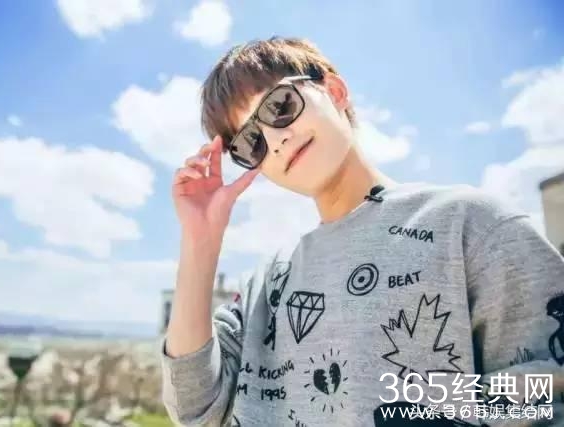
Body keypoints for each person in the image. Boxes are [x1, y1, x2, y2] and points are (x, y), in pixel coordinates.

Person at [160, 36, 564, 426]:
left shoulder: (468, 224)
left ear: (334, 91)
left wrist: (415, 409)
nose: (275, 140)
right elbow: (197, 408)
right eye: (252, 142)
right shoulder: (263, 287)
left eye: (280, 106)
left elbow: (550, 398)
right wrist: (200, 239)